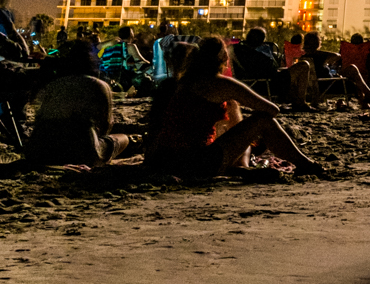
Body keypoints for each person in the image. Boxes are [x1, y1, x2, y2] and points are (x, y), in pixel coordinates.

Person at [144, 37, 324, 179]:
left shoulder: (186, 81)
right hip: (195, 162)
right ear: (223, 58)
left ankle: (242, 167)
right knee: (262, 121)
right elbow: (272, 110)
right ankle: (306, 164)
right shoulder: (220, 83)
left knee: (235, 113)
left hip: (166, 159)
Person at [24, 40, 139, 167]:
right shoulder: (98, 85)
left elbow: (39, 119)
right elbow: (106, 124)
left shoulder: (53, 85)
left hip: (39, 151)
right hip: (80, 152)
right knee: (123, 138)